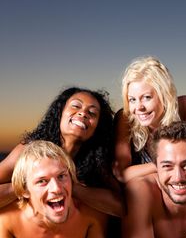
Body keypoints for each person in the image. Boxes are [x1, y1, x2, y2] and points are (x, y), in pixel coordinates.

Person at [0, 87, 124, 217]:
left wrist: (71, 186)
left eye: (92, 113)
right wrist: (27, 185)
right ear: (60, 112)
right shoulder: (29, 150)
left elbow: (120, 208)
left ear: (98, 127)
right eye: (76, 106)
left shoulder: (97, 161)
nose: (83, 113)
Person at [0, 140, 107, 238]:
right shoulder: (7, 221)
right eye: (42, 181)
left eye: (62, 176)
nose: (56, 188)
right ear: (25, 190)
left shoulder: (91, 215)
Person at [113, 56, 186, 184]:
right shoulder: (125, 117)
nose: (139, 107)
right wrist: (169, 165)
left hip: (178, 188)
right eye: (132, 99)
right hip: (147, 192)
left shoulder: (185, 106)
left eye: (146, 97)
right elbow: (121, 174)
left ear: (164, 95)